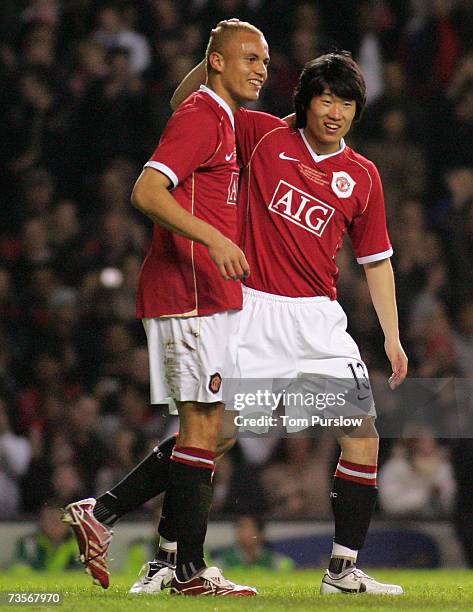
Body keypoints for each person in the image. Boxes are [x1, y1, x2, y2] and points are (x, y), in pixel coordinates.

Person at [168, 46, 408, 595]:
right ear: (306, 101)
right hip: (255, 311)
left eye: (347, 102)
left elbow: (377, 262)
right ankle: (155, 546)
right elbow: (187, 107)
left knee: (363, 437)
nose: (336, 111)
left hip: (319, 322)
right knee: (216, 437)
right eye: (326, 97)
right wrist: (214, 62)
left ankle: (342, 571)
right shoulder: (264, 135)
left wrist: (392, 336)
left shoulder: (363, 176)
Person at [62, 20, 270, 597]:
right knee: (205, 426)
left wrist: (216, 57)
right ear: (219, 64)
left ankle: (113, 522)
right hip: (190, 291)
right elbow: (146, 191)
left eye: (266, 62)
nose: (260, 69)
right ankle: (186, 570)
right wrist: (216, 239)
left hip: (210, 294)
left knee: (216, 430)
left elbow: (186, 94)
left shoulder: (210, 110)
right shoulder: (204, 117)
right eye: (248, 58)